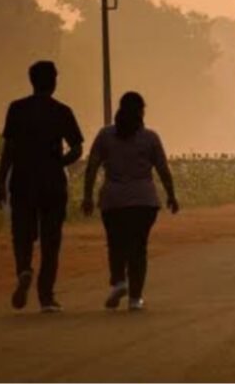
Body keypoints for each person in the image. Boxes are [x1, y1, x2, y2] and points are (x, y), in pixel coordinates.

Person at [0, 61, 83, 312]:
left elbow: (8, 150)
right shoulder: (62, 111)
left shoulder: (17, 109)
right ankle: (46, 296)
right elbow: (77, 148)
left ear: (32, 81)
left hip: (22, 180)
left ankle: (24, 269)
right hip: (52, 182)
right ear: (53, 81)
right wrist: (60, 162)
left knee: (21, 233)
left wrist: (0, 183)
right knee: (50, 240)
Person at [82, 92, 179, 311]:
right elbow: (163, 169)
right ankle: (135, 298)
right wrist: (171, 195)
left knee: (116, 243)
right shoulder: (150, 138)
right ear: (141, 112)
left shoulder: (106, 135)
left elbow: (92, 167)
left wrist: (87, 196)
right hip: (144, 201)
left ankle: (119, 281)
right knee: (138, 248)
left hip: (113, 200)